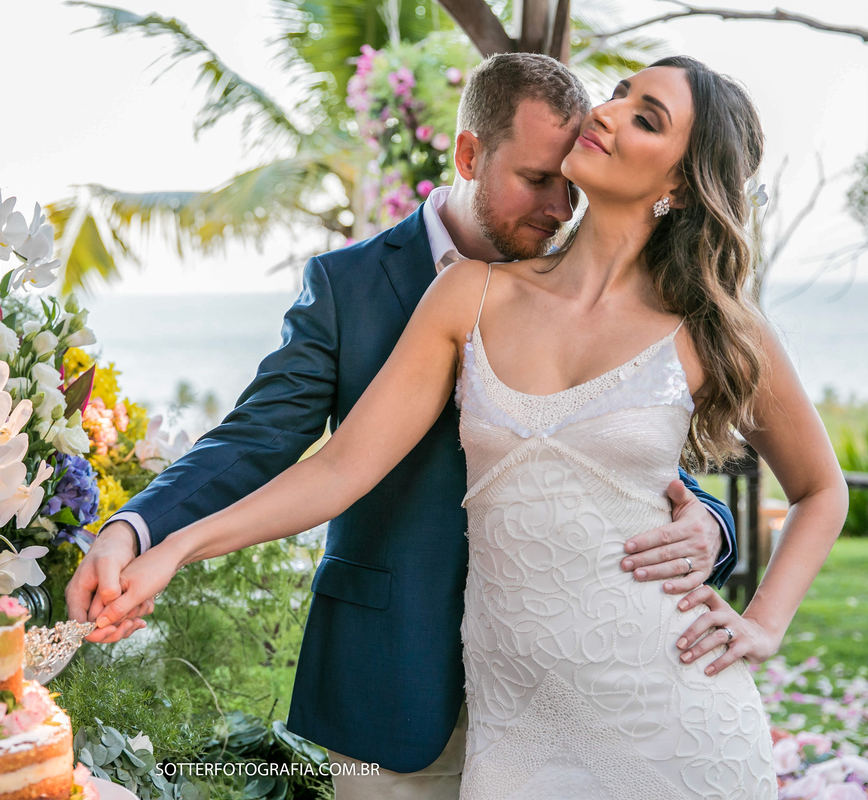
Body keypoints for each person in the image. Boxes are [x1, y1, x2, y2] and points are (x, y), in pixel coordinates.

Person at [69, 54, 745, 797]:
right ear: (468, 155)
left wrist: (712, 524)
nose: (558, 207)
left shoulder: (604, 294)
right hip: (391, 677)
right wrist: (139, 531)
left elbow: (616, 460)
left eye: (567, 184)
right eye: (534, 179)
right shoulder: (347, 285)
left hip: (569, 685)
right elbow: (258, 440)